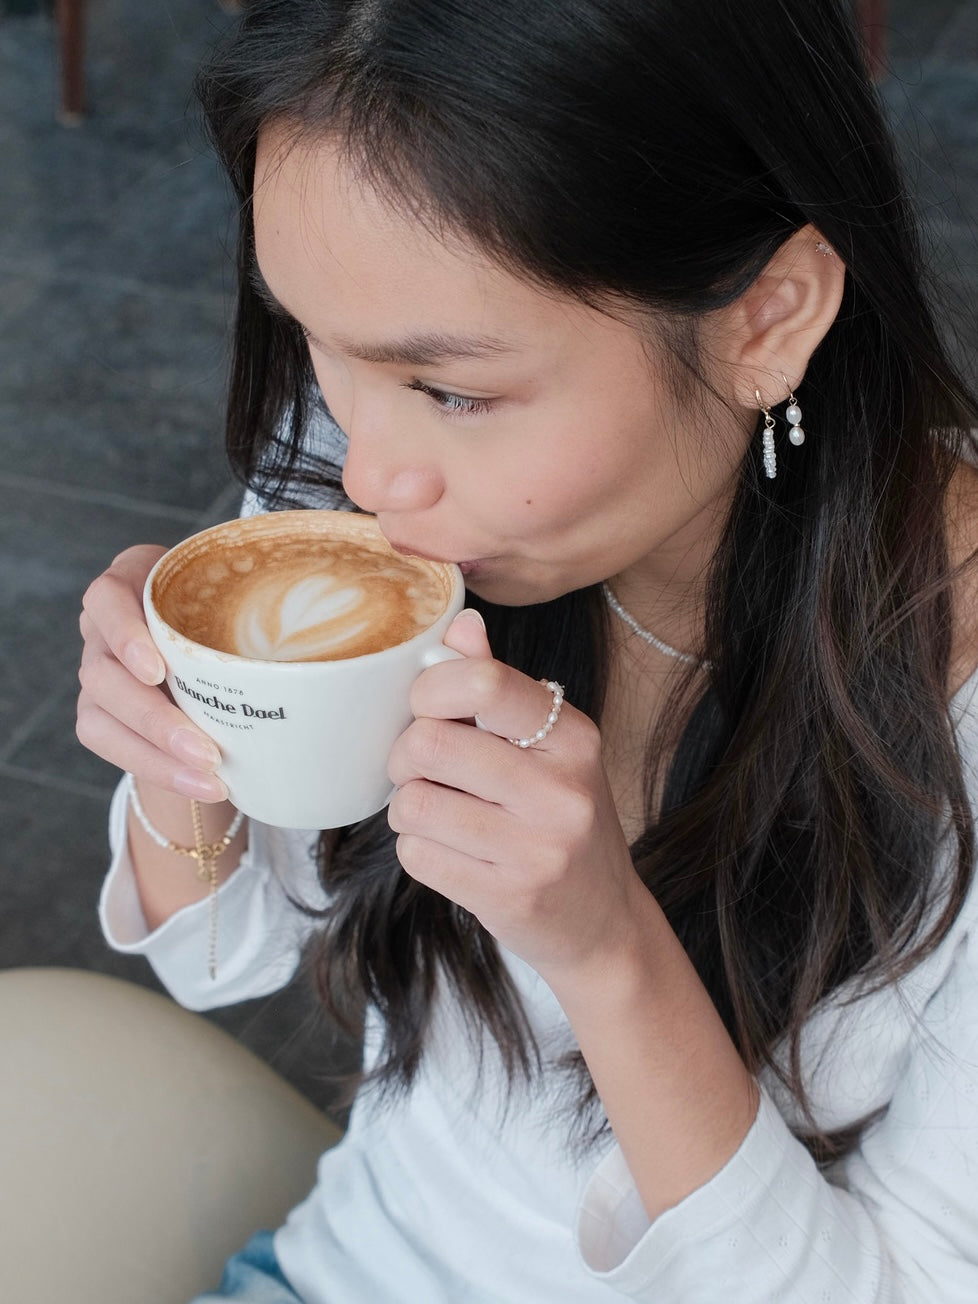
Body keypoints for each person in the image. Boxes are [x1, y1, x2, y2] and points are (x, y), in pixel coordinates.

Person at [75, 0, 978, 1299]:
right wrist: (178, 752)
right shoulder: (368, 457)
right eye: (319, 343)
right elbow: (223, 958)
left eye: (453, 391)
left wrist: (608, 952)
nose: (368, 472)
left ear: (765, 317)